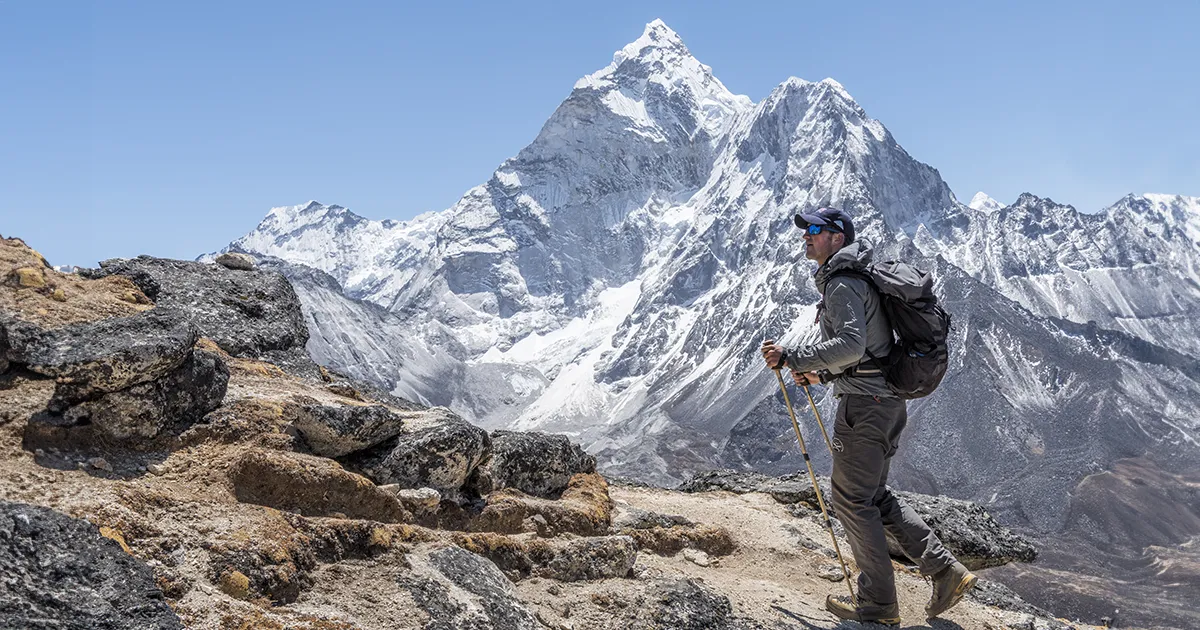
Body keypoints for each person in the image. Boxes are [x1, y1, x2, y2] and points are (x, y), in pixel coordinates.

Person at [760, 207, 976, 625]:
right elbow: (867, 350)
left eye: (816, 230)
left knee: (850, 500)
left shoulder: (842, 282)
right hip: (885, 402)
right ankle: (946, 571)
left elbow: (851, 346)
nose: (807, 236)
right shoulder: (854, 278)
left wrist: (792, 356)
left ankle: (877, 607)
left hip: (865, 408)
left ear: (837, 238)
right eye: (807, 230)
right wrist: (820, 373)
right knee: (873, 496)